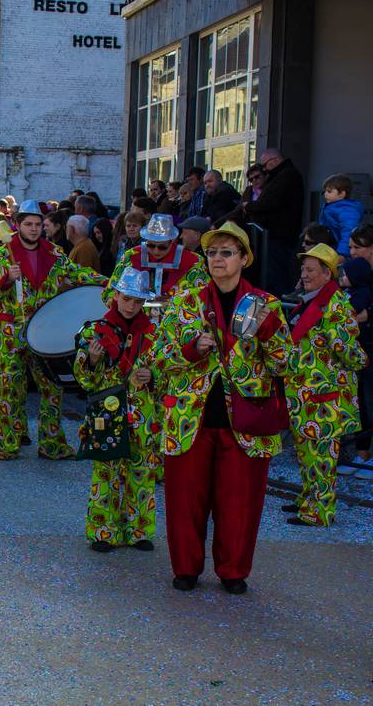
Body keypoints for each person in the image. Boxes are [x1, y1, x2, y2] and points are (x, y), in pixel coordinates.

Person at [155, 222, 292, 594]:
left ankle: (233, 571)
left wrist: (266, 332)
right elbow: (159, 357)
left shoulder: (267, 305)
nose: (217, 259)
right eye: (212, 252)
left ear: (245, 259)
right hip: (189, 417)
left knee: (240, 503)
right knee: (185, 501)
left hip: (245, 420)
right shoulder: (186, 302)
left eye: (227, 253)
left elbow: (285, 363)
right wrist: (189, 350)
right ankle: (185, 568)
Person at [0, 200, 105, 460]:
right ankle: (7, 443)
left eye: (38, 224)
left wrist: (112, 284)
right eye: (28, 224)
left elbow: (78, 274)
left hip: (44, 333)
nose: (33, 229)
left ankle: (51, 443)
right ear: (17, 225)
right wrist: (6, 279)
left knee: (53, 387)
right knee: (11, 387)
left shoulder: (55, 253)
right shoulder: (4, 254)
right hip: (11, 331)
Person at [73, 268, 159, 552]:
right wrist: (93, 360)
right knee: (106, 472)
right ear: (116, 296)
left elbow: (166, 371)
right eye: (127, 298)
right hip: (107, 410)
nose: (132, 306)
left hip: (142, 411)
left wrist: (153, 376)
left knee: (142, 472)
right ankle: (102, 531)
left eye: (138, 301)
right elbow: (83, 379)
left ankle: (139, 531)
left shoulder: (154, 333)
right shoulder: (94, 329)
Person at [283, 244, 366, 527]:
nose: (304, 275)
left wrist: (362, 359)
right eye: (303, 269)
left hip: (324, 396)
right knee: (307, 453)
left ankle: (319, 512)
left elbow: (347, 349)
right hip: (305, 392)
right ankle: (308, 499)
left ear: (326, 274)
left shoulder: (336, 304)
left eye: (310, 270)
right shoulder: (311, 300)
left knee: (321, 457)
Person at [240, 149, 305, 296]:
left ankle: (278, 307)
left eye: (264, 166)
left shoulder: (286, 176)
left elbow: (272, 202)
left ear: (274, 161)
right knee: (273, 274)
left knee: (277, 276)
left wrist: (249, 207)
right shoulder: (281, 176)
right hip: (275, 234)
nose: (264, 169)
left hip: (279, 235)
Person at [339, 256, 373, 480]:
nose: (341, 277)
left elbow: (348, 312)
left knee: (367, 402)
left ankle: (365, 456)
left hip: (366, 352)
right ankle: (361, 454)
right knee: (359, 402)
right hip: (357, 355)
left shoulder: (362, 294)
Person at [317, 174, 363, 259]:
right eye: (325, 191)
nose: (325, 194)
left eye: (329, 191)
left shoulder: (347, 210)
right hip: (329, 247)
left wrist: (342, 254)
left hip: (338, 251)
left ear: (342, 194)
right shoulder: (331, 206)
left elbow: (348, 232)